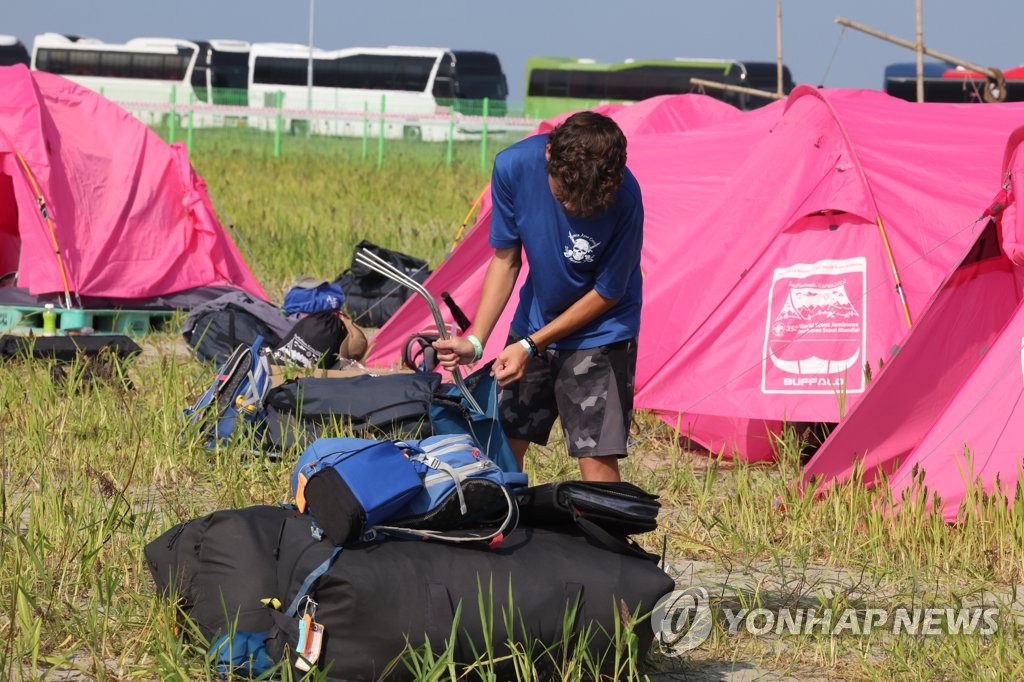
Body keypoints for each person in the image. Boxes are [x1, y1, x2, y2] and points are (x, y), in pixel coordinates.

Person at [434, 111, 644, 482]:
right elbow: (506, 258)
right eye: (563, 196)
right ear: (549, 155)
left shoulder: (626, 199)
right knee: (501, 447)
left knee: (596, 461)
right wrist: (476, 340)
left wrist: (531, 345)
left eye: (586, 203)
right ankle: (498, 531)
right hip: (535, 320)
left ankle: (603, 537)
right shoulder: (513, 167)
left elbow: (608, 294)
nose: (573, 209)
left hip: (602, 331)